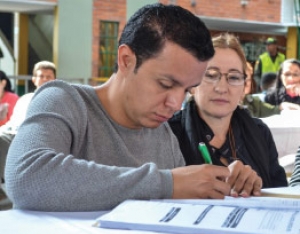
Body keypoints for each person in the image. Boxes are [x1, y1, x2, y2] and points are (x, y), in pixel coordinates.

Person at [4, 3, 228, 212]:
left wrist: (221, 187)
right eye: (165, 84)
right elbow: (26, 177)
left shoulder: (164, 137)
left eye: (188, 90)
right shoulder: (63, 101)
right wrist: (167, 183)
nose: (175, 104)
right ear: (126, 59)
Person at [169, 33, 288, 192]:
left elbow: (280, 193)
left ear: (244, 88)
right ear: (192, 84)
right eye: (211, 75)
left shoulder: (260, 132)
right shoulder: (169, 133)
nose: (222, 88)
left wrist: (257, 188)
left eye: (233, 77)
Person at [0, 61, 56, 207]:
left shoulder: (57, 99)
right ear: (34, 79)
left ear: (54, 79)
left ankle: (5, 193)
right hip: (10, 131)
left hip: (28, 136)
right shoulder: (24, 99)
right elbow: (11, 122)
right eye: (41, 76)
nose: (44, 79)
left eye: (48, 76)